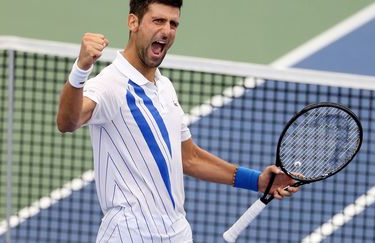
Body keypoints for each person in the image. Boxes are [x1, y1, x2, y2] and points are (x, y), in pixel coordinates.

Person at [56, 0, 299, 242]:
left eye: (173, 23)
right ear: (133, 22)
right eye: (158, 21)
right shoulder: (110, 85)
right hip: (129, 234)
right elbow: (67, 122)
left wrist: (256, 180)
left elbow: (189, 157)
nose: (167, 31)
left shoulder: (164, 87)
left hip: (177, 232)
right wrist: (81, 69)